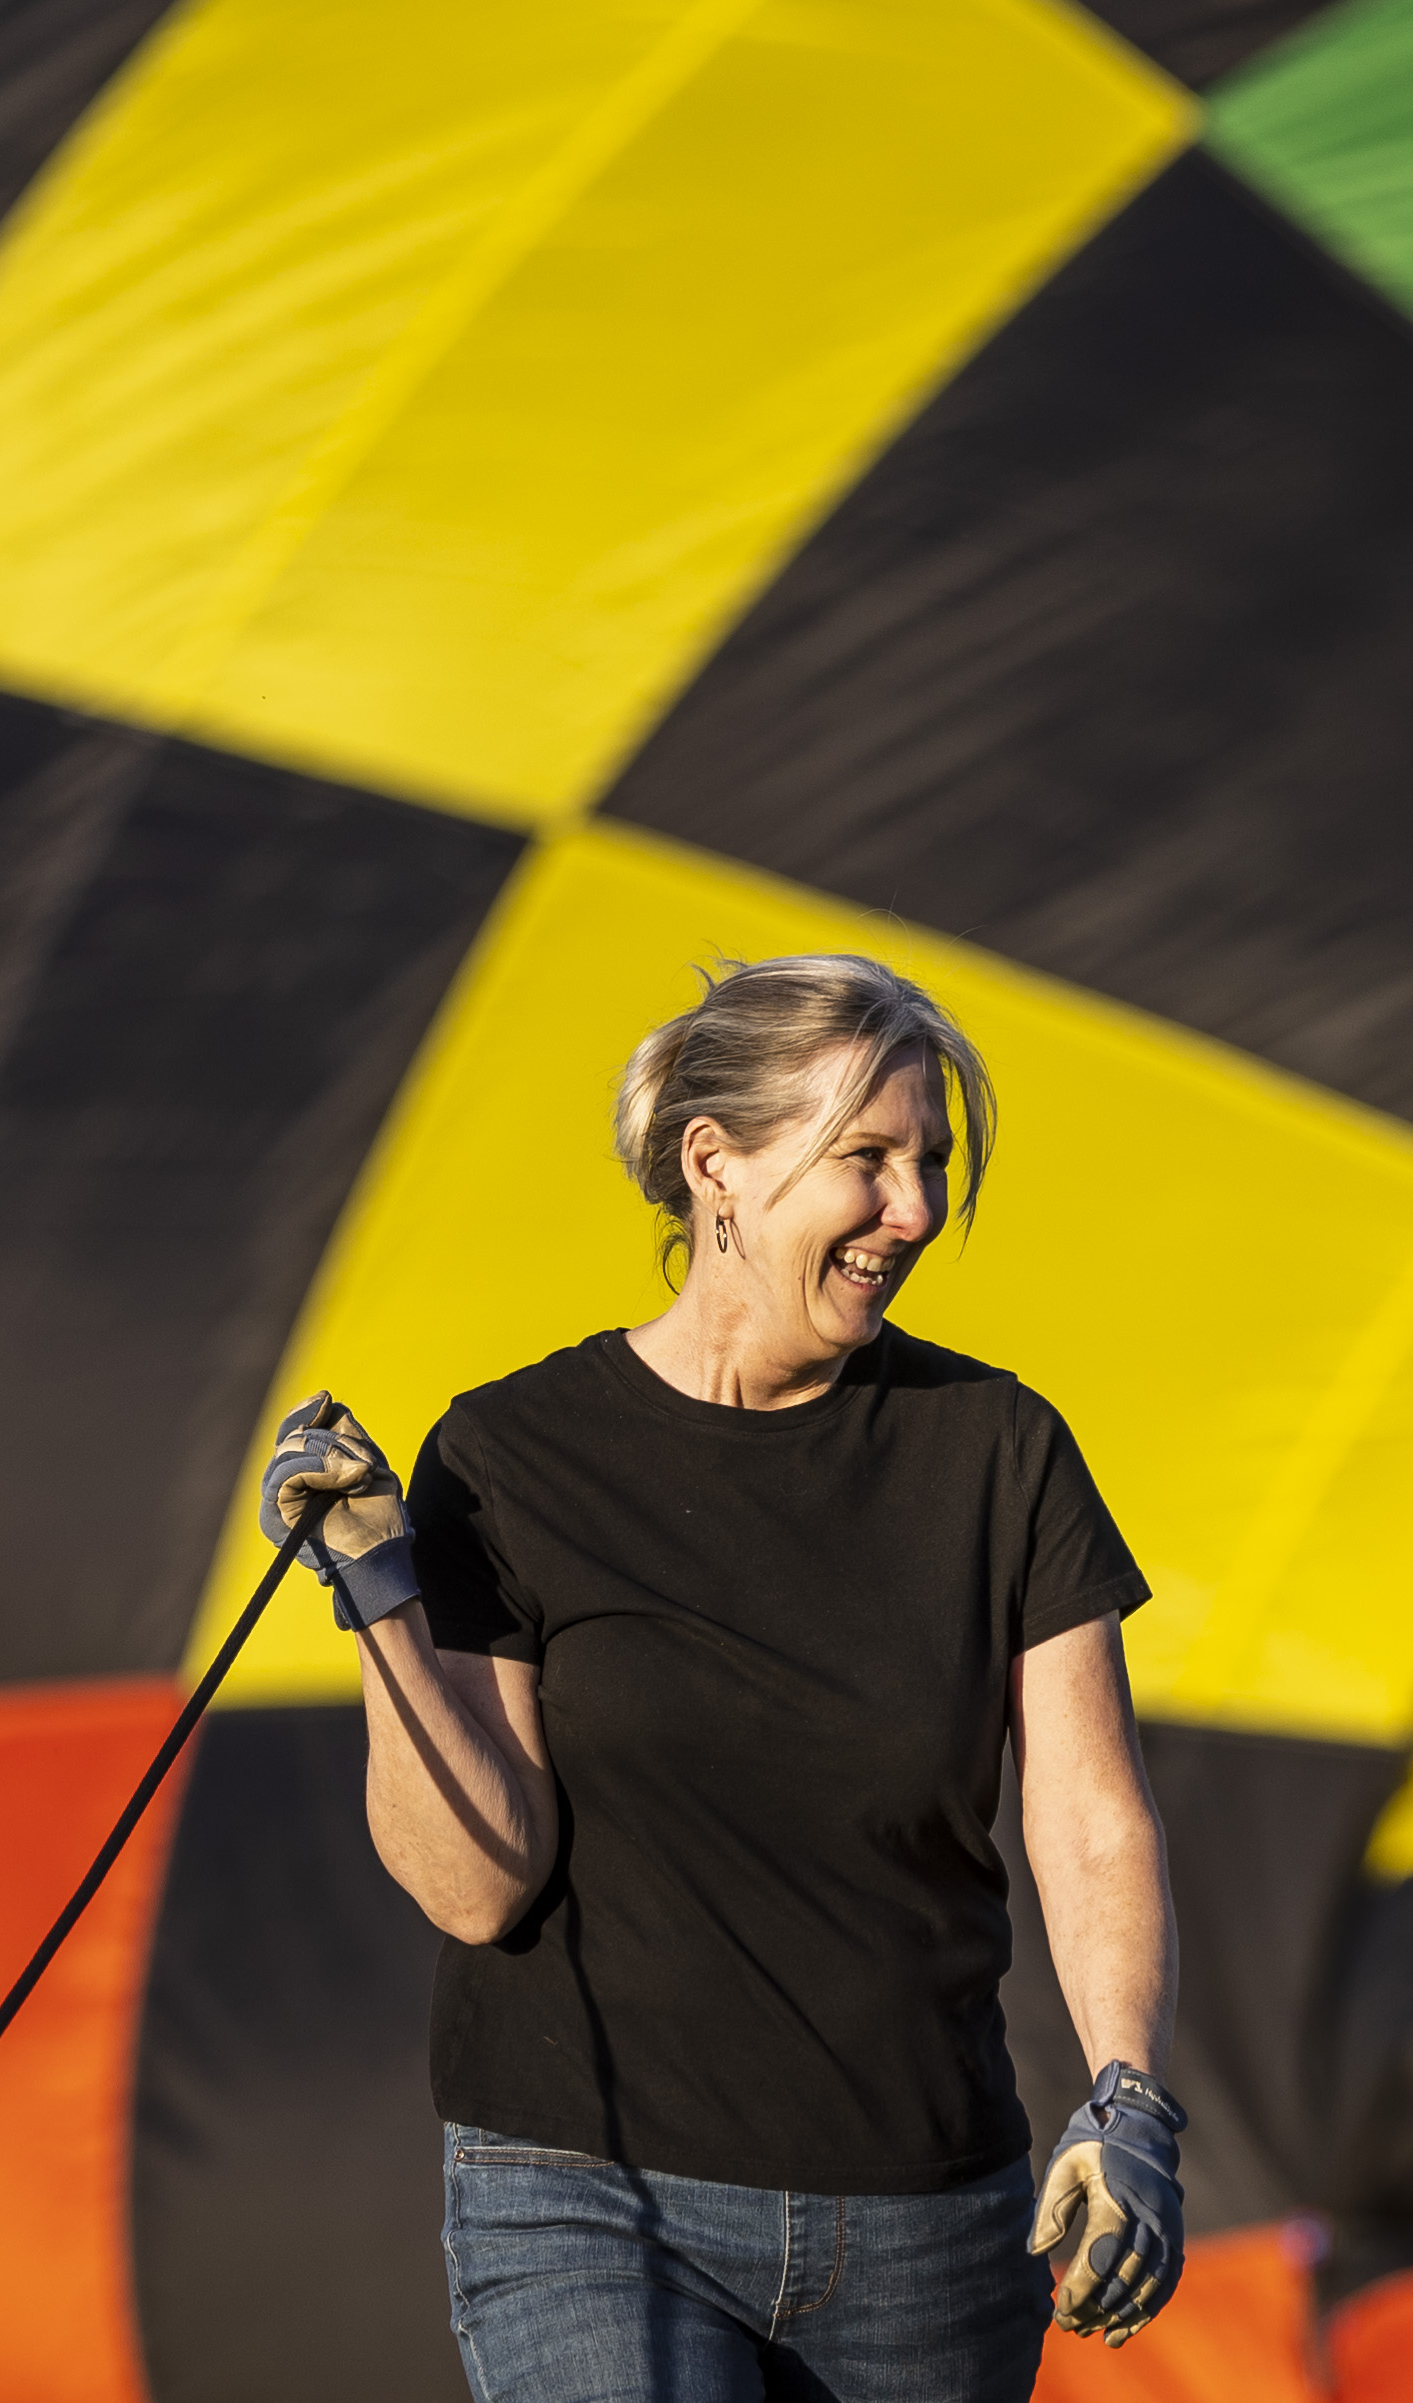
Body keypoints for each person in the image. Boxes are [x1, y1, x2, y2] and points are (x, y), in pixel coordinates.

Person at [254, 952, 1186, 2403]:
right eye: (868, 1160)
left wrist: (1128, 2096)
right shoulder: (512, 1457)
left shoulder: (997, 1452)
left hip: (926, 2221)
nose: (915, 1211)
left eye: (930, 1163)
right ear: (718, 1167)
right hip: (587, 2194)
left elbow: (1087, 1817)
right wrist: (380, 1599)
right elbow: (477, 1884)